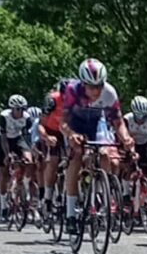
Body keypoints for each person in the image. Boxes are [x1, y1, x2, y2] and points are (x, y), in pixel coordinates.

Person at [61, 58, 134, 234]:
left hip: (95, 124)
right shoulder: (72, 90)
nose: (96, 91)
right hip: (75, 125)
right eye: (91, 87)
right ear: (83, 84)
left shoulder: (109, 93)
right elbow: (63, 122)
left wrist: (126, 138)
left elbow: (118, 122)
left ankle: (100, 193)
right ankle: (71, 214)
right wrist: (71, 134)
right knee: (77, 155)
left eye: (99, 86)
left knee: (104, 154)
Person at [0, 94, 34, 219]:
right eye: (18, 109)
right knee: (3, 172)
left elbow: (27, 138)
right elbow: (3, 137)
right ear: (12, 109)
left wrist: (30, 153)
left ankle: (24, 184)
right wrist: (7, 154)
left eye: (23, 109)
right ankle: (3, 205)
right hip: (5, 140)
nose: (20, 112)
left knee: (29, 161)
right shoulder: (4, 116)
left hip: (18, 139)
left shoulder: (27, 118)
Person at [38, 89, 65, 214]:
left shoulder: (77, 99)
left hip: (69, 130)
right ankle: (47, 197)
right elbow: (40, 125)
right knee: (53, 162)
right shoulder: (52, 100)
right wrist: (47, 137)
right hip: (51, 131)